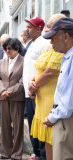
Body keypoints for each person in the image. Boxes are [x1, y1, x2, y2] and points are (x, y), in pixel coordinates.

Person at [28, 14, 65, 160]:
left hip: (51, 99)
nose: (46, 29)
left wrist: (34, 86)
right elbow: (39, 68)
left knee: (52, 140)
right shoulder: (50, 46)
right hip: (42, 99)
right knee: (46, 141)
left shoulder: (60, 48)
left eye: (50, 26)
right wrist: (32, 82)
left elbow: (50, 72)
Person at [42, 17, 73, 160]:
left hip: (66, 119)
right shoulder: (67, 57)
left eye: (53, 38)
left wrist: (53, 117)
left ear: (66, 37)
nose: (51, 42)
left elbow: (68, 100)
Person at [23, 17, 49, 160]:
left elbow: (46, 68)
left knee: (40, 126)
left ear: (38, 29)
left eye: (30, 27)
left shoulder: (44, 43)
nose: (27, 30)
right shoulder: (31, 44)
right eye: (27, 27)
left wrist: (35, 86)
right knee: (33, 126)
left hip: (37, 92)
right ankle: (37, 154)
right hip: (29, 93)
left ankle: (43, 155)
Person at [0, 38, 25, 160]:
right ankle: (5, 152)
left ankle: (17, 154)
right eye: (5, 48)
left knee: (18, 127)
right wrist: (2, 91)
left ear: (17, 48)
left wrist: (10, 92)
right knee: (5, 125)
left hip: (17, 97)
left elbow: (23, 80)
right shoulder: (2, 62)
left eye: (10, 48)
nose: (7, 51)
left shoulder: (24, 61)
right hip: (3, 97)